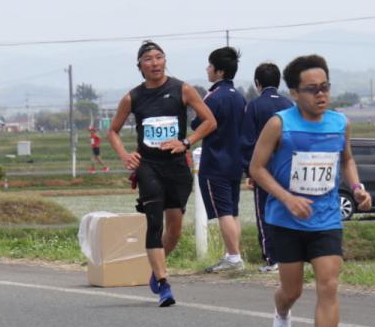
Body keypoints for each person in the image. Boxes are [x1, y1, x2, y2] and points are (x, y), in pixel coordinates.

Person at [249, 54, 372, 327]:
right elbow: (256, 169)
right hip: (285, 220)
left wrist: (357, 187)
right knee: (292, 290)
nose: (321, 95)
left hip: (326, 218)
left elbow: (346, 160)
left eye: (325, 87)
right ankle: (281, 312)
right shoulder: (280, 124)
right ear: (294, 93)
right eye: (312, 89)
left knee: (329, 285)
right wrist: (287, 198)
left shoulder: (339, 123)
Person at [106, 40, 217, 307]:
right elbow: (112, 132)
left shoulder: (182, 89)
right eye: (148, 59)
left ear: (165, 61)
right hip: (149, 166)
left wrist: (187, 142)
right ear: (140, 66)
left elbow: (210, 121)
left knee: (174, 229)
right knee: (154, 223)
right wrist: (125, 155)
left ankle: (156, 269)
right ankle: (164, 282)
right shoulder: (132, 97)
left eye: (159, 57)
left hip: (177, 166)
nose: (155, 63)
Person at [193, 46, 248, 273]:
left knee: (223, 211)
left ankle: (234, 257)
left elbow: (198, 125)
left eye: (210, 65)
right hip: (236, 161)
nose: (207, 69)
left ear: (220, 71)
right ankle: (232, 254)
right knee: (233, 211)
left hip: (216, 161)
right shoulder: (240, 97)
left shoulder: (214, 97)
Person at [241, 62, 293, 272]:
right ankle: (291, 258)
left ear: (257, 83)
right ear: (279, 81)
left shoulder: (254, 106)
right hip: (289, 168)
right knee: (288, 210)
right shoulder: (290, 104)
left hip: (264, 170)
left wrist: (249, 171)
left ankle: (272, 259)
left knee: (265, 212)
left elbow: (247, 141)